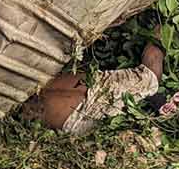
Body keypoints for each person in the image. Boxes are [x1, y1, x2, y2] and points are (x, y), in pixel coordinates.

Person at [23, 34, 165, 135]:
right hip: (81, 113)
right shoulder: (145, 85)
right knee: (29, 99)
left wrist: (164, 25)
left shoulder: (147, 82)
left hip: (87, 106)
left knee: (33, 90)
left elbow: (155, 52)